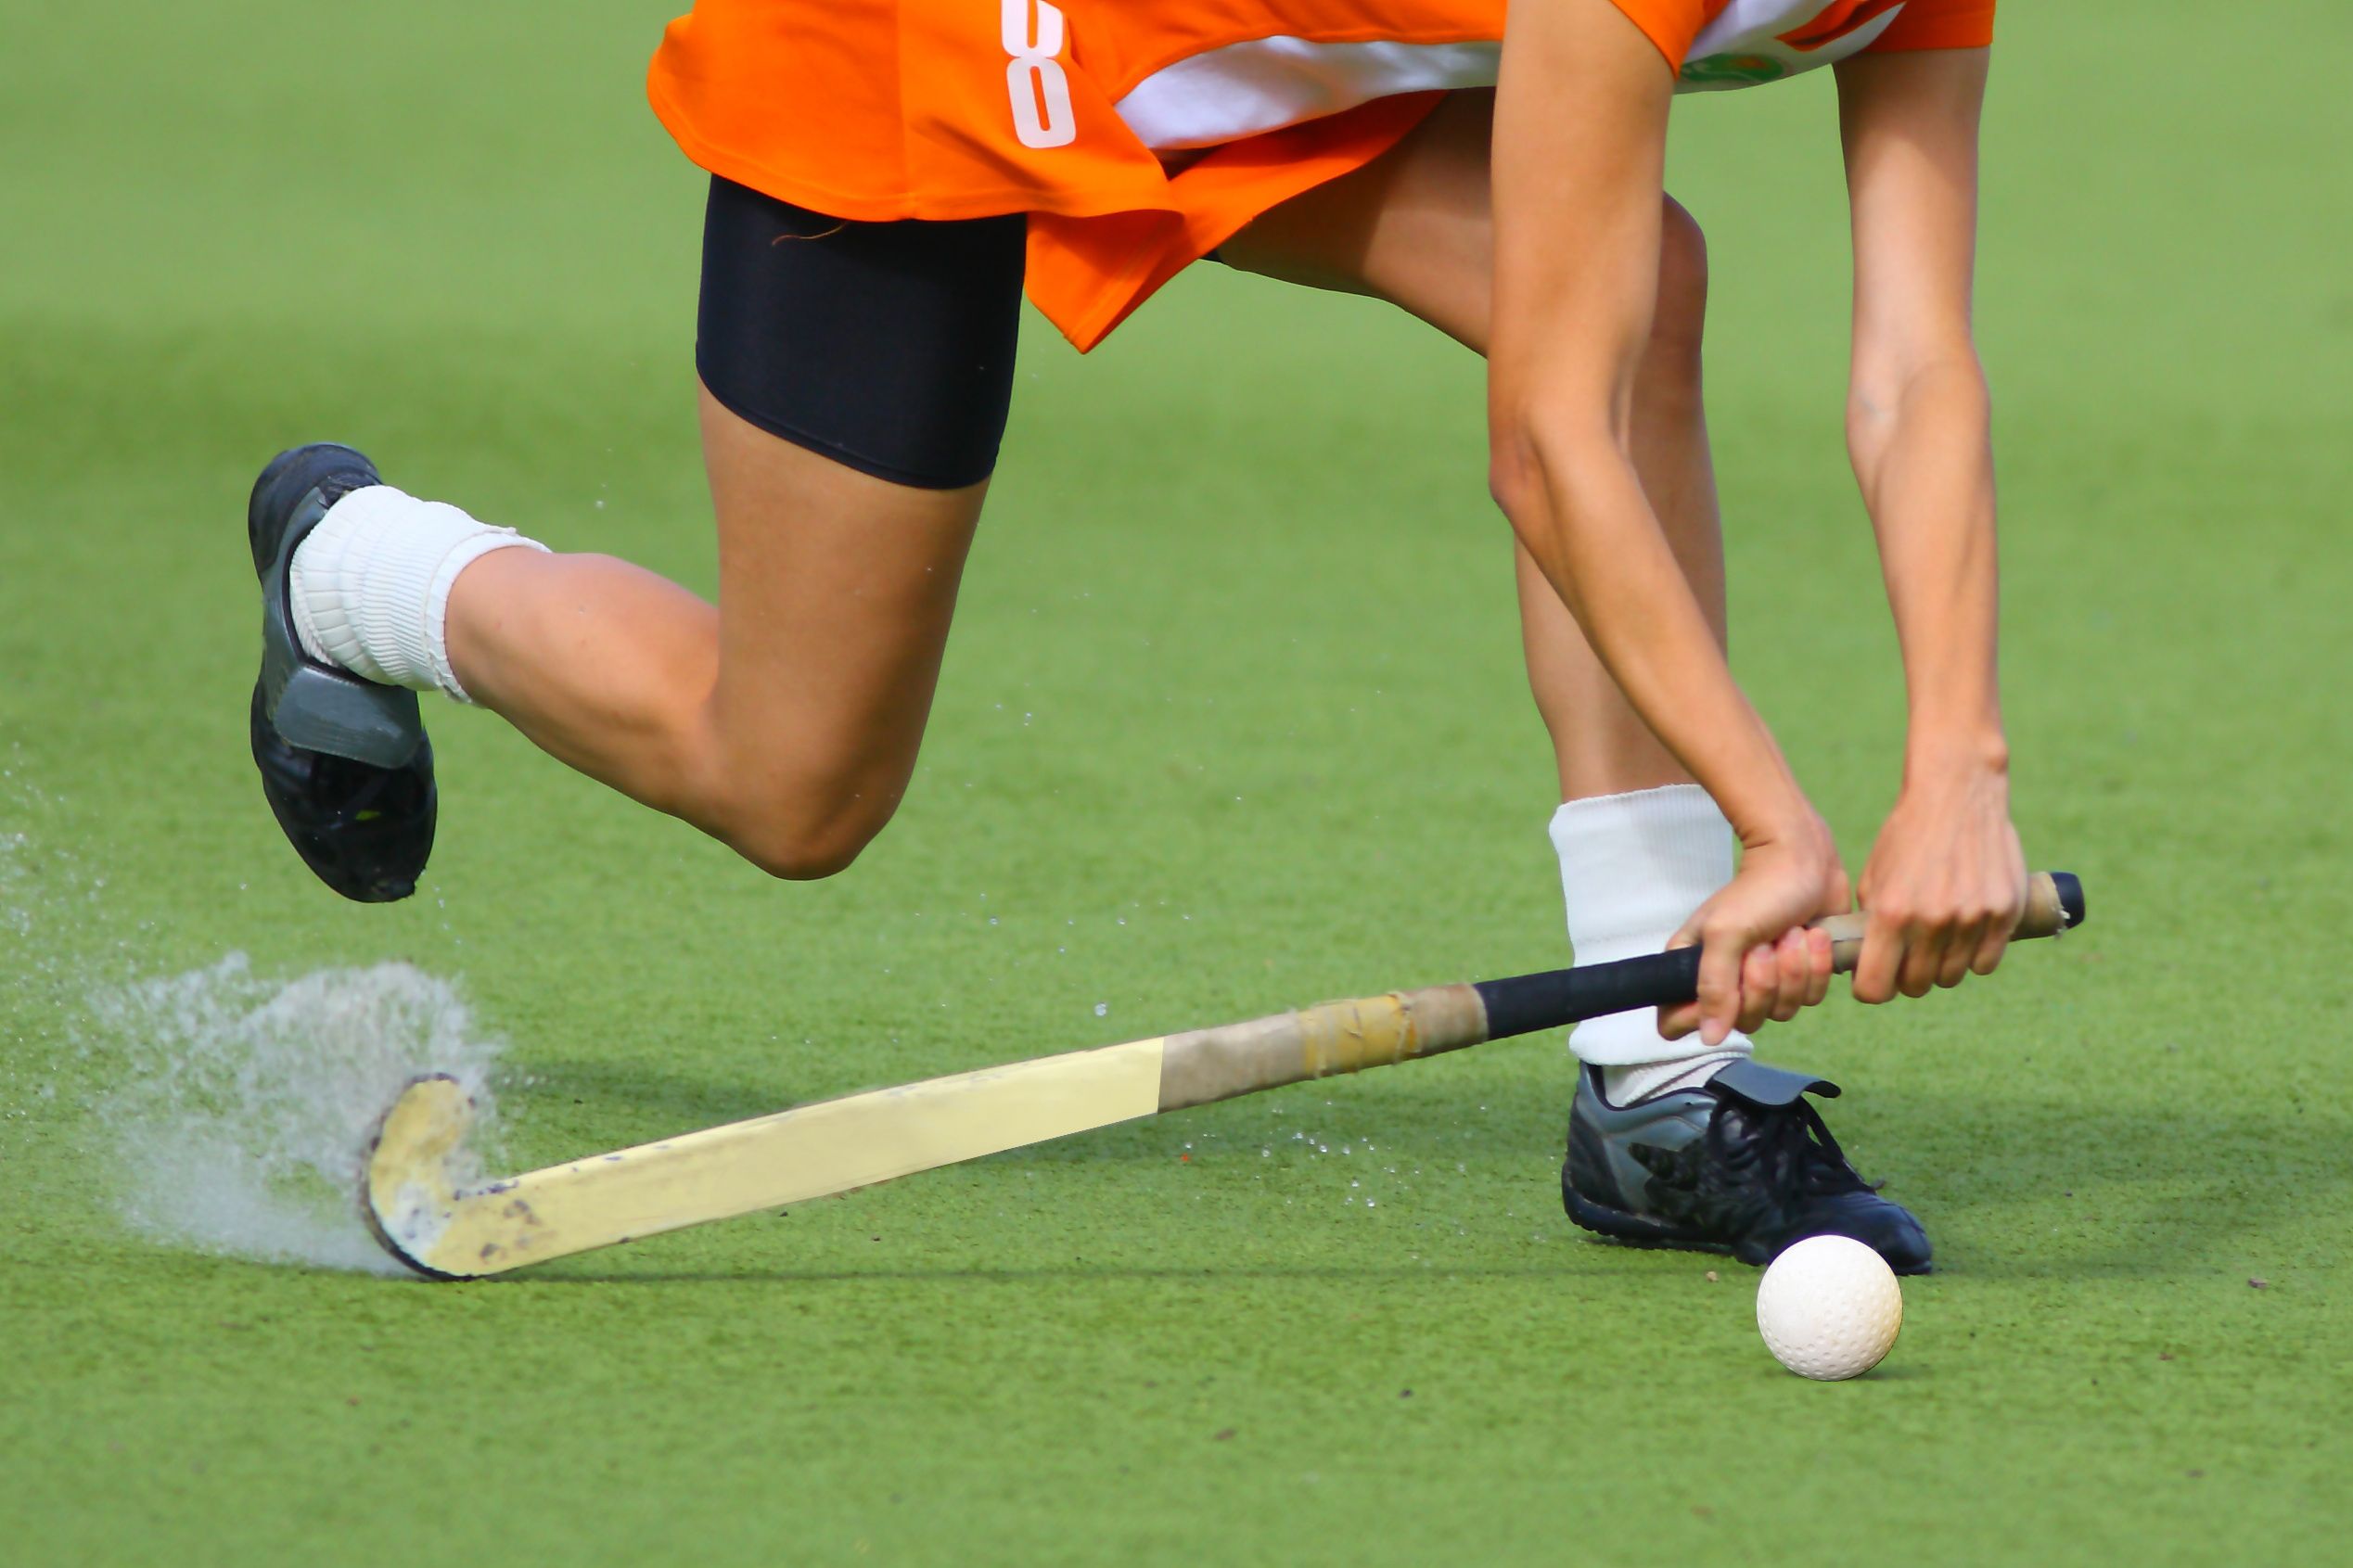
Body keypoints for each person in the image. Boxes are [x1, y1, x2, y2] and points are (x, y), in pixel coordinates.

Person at [246, 0, 2024, 1274]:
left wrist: (1958, 769)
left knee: (1640, 279)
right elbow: (1550, 447)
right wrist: (1781, 829)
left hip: (1199, 72)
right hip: (904, 53)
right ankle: (355, 568)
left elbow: (1913, 367)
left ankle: (1654, 1086)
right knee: (788, 782)